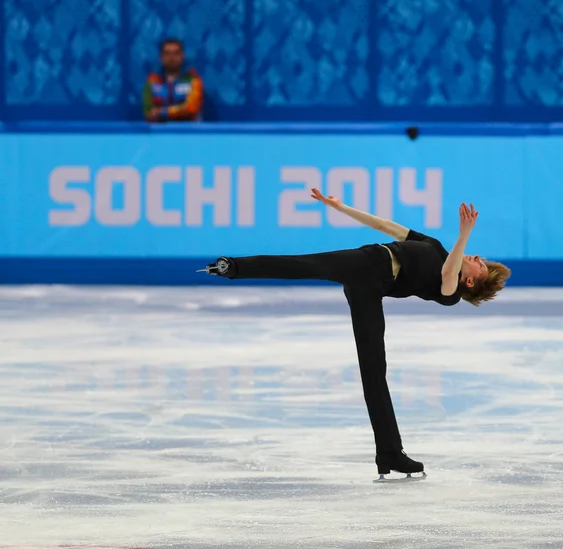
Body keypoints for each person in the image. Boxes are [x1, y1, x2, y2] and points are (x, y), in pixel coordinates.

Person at [201, 188, 511, 479]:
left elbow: (448, 274)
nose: (476, 258)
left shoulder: (449, 292)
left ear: (470, 283)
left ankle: (389, 453)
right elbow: (387, 227)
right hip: (367, 262)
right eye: (479, 258)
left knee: (374, 370)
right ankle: (233, 267)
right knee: (305, 264)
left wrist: (465, 234)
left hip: (370, 289)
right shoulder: (435, 247)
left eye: (480, 266)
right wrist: (341, 208)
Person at [143, 39, 204, 122]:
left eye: (176, 53)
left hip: (188, 131)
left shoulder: (193, 80)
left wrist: (164, 112)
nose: (171, 57)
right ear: (161, 57)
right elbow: (148, 112)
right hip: (159, 132)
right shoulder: (152, 81)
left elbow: (191, 108)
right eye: (167, 53)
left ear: (182, 57)